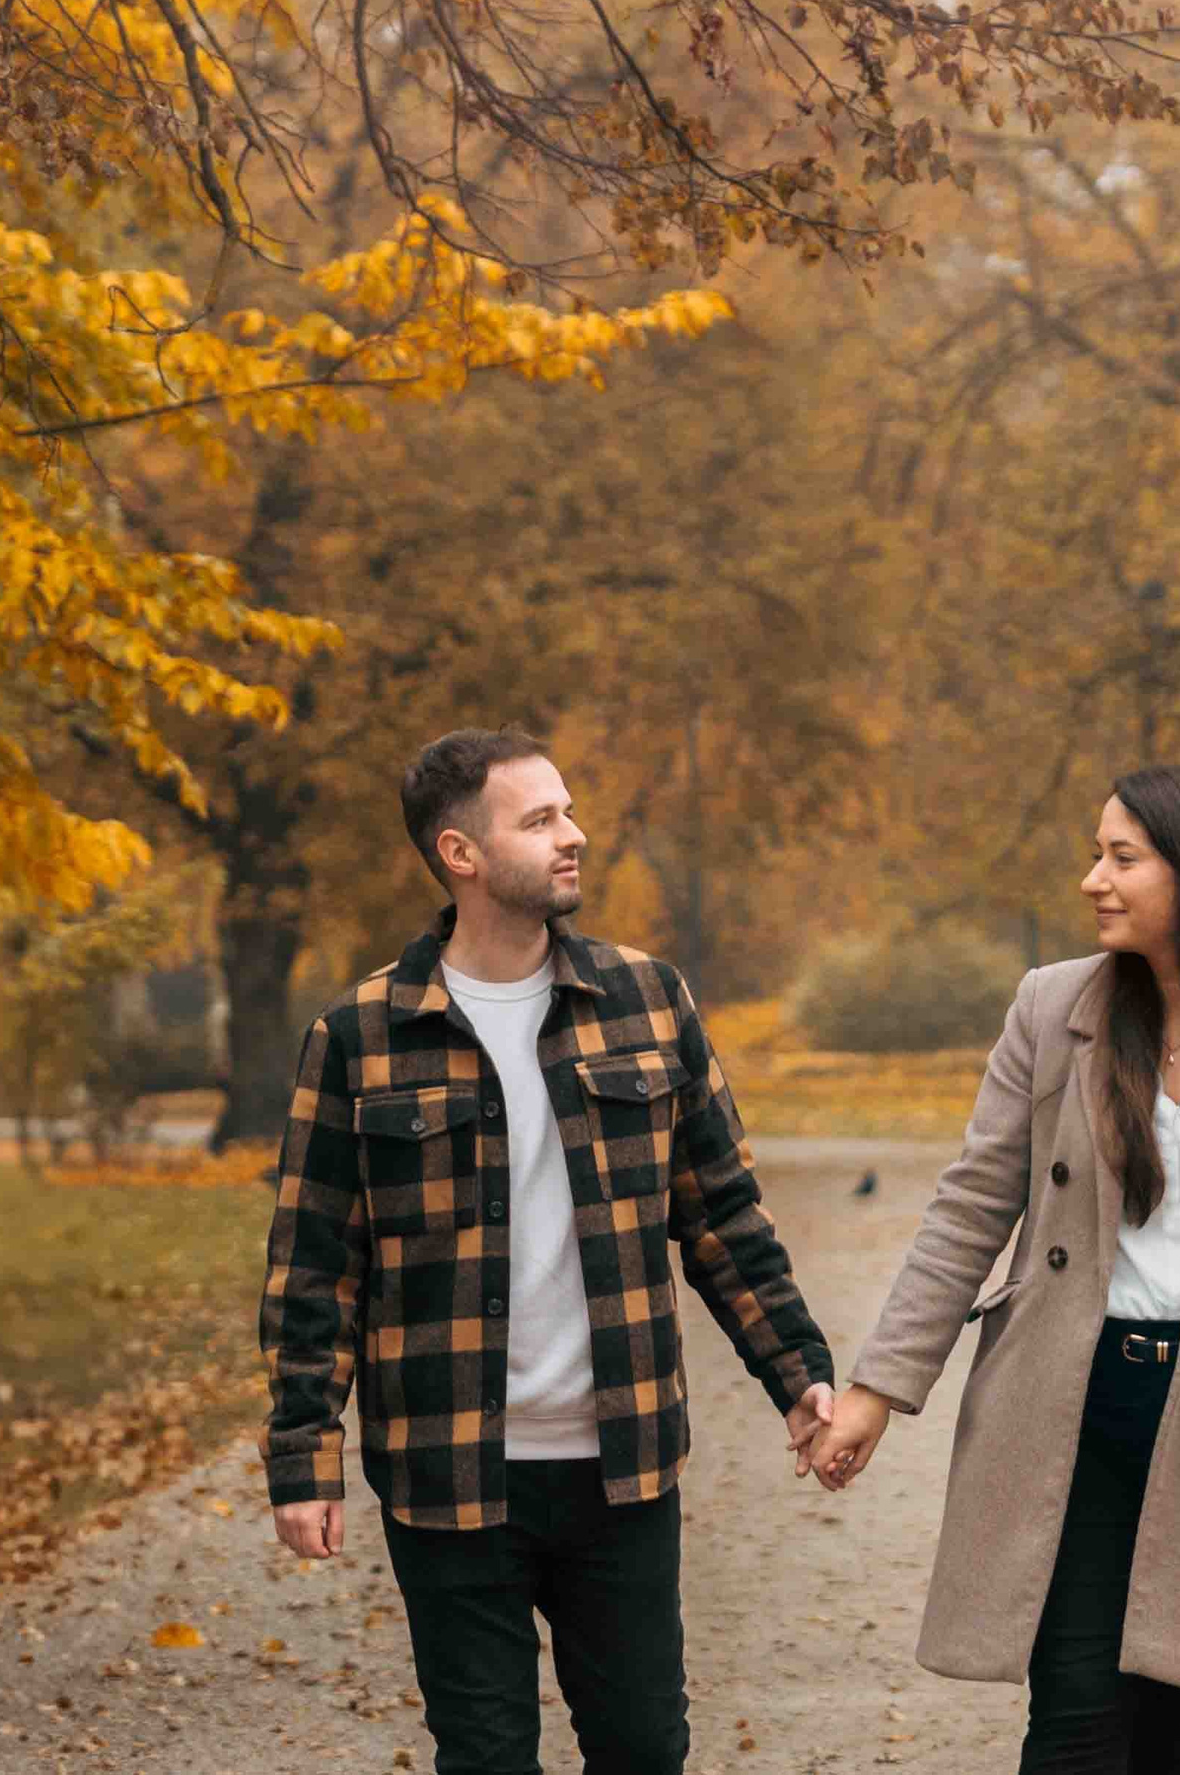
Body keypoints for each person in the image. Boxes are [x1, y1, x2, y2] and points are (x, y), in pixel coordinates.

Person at [257, 727, 837, 1775]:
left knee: (643, 1748)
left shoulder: (647, 1002)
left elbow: (723, 1217)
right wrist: (304, 1456)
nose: (574, 836)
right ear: (460, 853)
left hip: (620, 1467)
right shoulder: (359, 1034)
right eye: (540, 820)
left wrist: (799, 1374)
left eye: (566, 811)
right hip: (447, 1472)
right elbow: (313, 1266)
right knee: (483, 1756)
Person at [806, 763, 1180, 1773]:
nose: (1093, 878)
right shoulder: (1052, 1006)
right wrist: (876, 1387)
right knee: (1074, 1723)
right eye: (1096, 853)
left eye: (1122, 857)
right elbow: (971, 1204)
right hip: (1068, 1405)